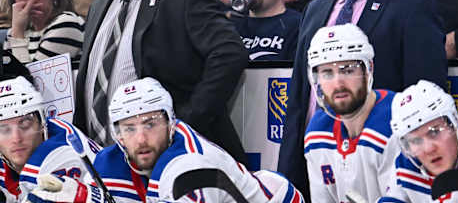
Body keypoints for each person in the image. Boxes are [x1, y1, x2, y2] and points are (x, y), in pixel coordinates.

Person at [278, 0, 447, 198]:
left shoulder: (413, 7)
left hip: (385, 167)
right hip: (316, 162)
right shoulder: (315, 9)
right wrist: (288, 170)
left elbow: (426, 96)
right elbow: (300, 100)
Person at [74, 0, 249, 166]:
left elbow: (230, 54)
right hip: (105, 164)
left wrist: (183, 125)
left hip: (169, 161)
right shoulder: (99, 5)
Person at [26, 77, 305, 203]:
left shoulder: (188, 167)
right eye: (129, 128)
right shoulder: (110, 162)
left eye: (150, 124)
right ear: (117, 135)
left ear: (171, 123)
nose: (142, 138)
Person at [304, 24, 398, 202]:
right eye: (327, 73)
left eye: (347, 70)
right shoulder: (318, 131)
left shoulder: (398, 120)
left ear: (368, 69)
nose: (338, 83)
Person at [0, 76, 101, 202]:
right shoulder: (55, 127)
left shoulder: (60, 155)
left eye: (25, 123)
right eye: (3, 128)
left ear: (42, 123)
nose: (16, 138)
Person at [378, 80, 458, 202]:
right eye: (415, 140)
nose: (428, 149)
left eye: (435, 132)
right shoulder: (406, 165)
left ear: (456, 124)